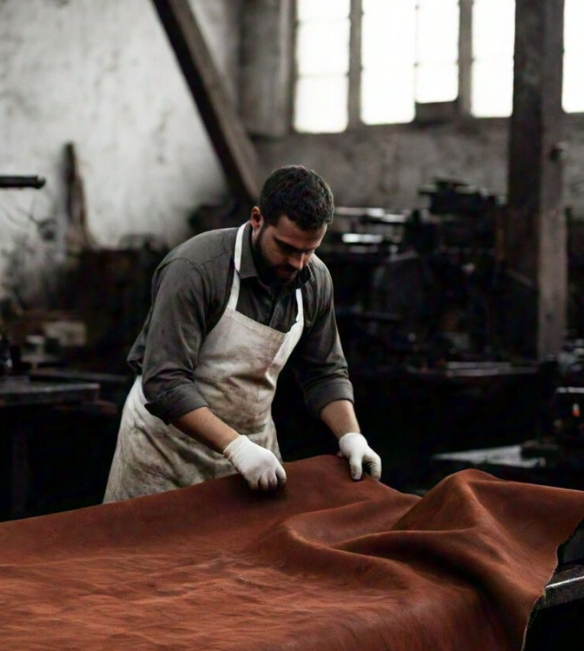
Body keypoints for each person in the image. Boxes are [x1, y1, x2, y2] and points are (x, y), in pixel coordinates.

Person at [104, 165, 381, 502]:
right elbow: (165, 382)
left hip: (254, 457)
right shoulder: (195, 270)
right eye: (287, 248)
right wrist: (235, 447)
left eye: (309, 250)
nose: (298, 263)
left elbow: (324, 372)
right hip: (165, 453)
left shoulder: (315, 280)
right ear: (256, 219)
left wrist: (351, 436)